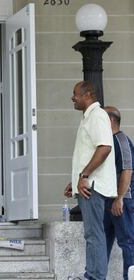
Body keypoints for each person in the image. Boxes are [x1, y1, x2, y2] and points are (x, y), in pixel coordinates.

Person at [63, 81, 117, 280]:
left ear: (87, 95)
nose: (72, 98)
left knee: (94, 235)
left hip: (92, 187)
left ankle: (95, 277)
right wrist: (75, 179)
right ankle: (91, 275)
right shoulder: (89, 117)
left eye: (75, 94)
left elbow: (104, 148)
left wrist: (84, 176)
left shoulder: (96, 115)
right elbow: (88, 153)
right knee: (93, 234)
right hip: (87, 185)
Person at [103, 106, 134, 280]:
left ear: (110, 120)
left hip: (122, 200)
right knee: (103, 241)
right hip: (108, 199)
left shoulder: (121, 140)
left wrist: (120, 198)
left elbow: (127, 170)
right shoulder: (108, 142)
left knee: (127, 242)